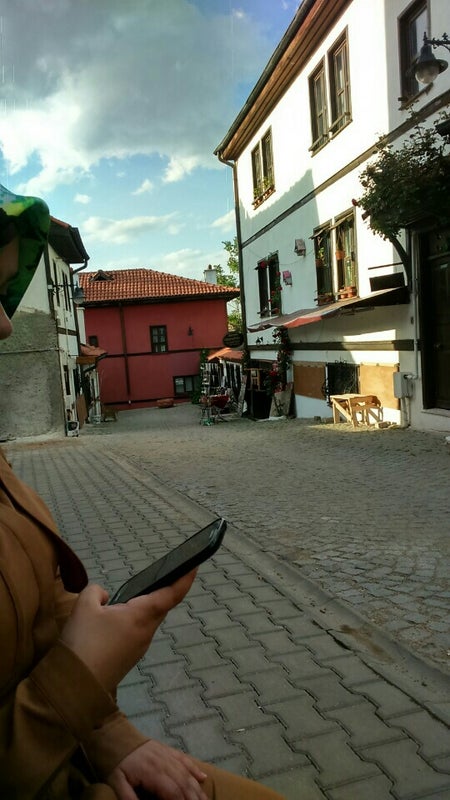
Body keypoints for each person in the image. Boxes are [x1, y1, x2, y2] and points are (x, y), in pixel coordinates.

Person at [0, 184, 285, 800]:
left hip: (79, 746)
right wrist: (81, 675)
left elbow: (38, 601)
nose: (4, 323)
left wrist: (109, 732)